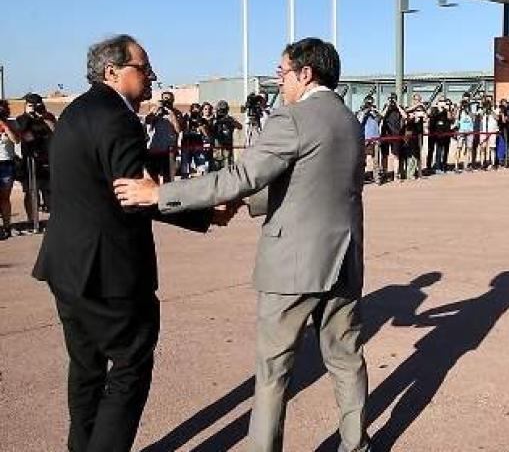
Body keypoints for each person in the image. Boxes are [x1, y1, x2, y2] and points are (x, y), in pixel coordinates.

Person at [114, 37, 371, 452]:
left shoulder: (292, 119)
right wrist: (246, 203)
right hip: (343, 258)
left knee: (273, 371)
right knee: (345, 359)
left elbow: (239, 177)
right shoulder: (348, 120)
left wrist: (159, 195)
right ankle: (356, 444)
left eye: (282, 71)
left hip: (293, 264)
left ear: (305, 74)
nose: (278, 80)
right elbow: (308, 182)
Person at [31, 34, 217, 452]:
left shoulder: (76, 112)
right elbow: (136, 195)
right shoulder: (117, 118)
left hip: (66, 266)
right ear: (112, 71)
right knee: (130, 367)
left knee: (86, 370)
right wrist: (206, 211)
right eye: (143, 67)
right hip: (108, 273)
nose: (151, 77)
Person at [16, 92, 56, 227]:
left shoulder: (47, 116)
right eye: (31, 105)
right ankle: (32, 220)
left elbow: (55, 131)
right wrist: (28, 116)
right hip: (30, 159)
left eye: (36, 105)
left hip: (47, 159)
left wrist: (44, 116)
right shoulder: (22, 118)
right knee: (31, 192)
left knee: (49, 190)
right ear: (26, 106)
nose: (34, 108)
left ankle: (52, 219)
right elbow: (23, 134)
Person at [144, 91, 183, 183]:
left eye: (169, 99)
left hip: (169, 149)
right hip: (155, 148)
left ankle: (167, 196)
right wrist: (156, 109)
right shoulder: (156, 111)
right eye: (165, 98)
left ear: (173, 100)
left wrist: (172, 115)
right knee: (153, 175)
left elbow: (178, 130)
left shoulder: (176, 113)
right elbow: (147, 121)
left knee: (168, 176)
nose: (167, 101)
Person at [0, 100, 20, 240]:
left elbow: (16, 140)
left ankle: (7, 226)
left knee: (5, 197)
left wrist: (5, 127)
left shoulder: (11, 123)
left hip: (6, 163)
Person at [209, 100, 242, 172]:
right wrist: (214, 120)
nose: (222, 112)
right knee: (215, 172)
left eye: (224, 110)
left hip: (227, 149)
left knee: (228, 171)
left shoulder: (230, 119)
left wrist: (230, 121)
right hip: (216, 148)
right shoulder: (213, 119)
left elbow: (240, 126)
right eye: (220, 110)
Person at [380, 93, 405, 184]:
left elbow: (405, 116)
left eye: (393, 99)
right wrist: (387, 106)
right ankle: (385, 173)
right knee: (384, 155)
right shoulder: (386, 107)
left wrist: (398, 105)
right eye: (391, 99)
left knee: (396, 155)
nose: (392, 101)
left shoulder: (399, 108)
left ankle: (396, 174)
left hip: (396, 134)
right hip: (385, 134)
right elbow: (382, 116)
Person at [356, 95, 381, 184]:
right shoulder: (361, 111)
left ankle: (377, 178)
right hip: (365, 139)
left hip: (375, 138)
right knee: (363, 160)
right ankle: (361, 178)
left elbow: (379, 119)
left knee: (376, 160)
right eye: (368, 102)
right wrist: (365, 111)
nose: (369, 104)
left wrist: (373, 111)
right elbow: (359, 121)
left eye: (371, 102)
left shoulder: (374, 112)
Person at [454, 98, 475, 172]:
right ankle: (456, 165)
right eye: (464, 105)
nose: (465, 107)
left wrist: (469, 112)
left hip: (470, 132)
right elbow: (456, 121)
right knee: (459, 148)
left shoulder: (470, 113)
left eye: (466, 105)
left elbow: (473, 118)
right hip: (461, 132)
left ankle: (466, 165)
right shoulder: (459, 113)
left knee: (469, 149)